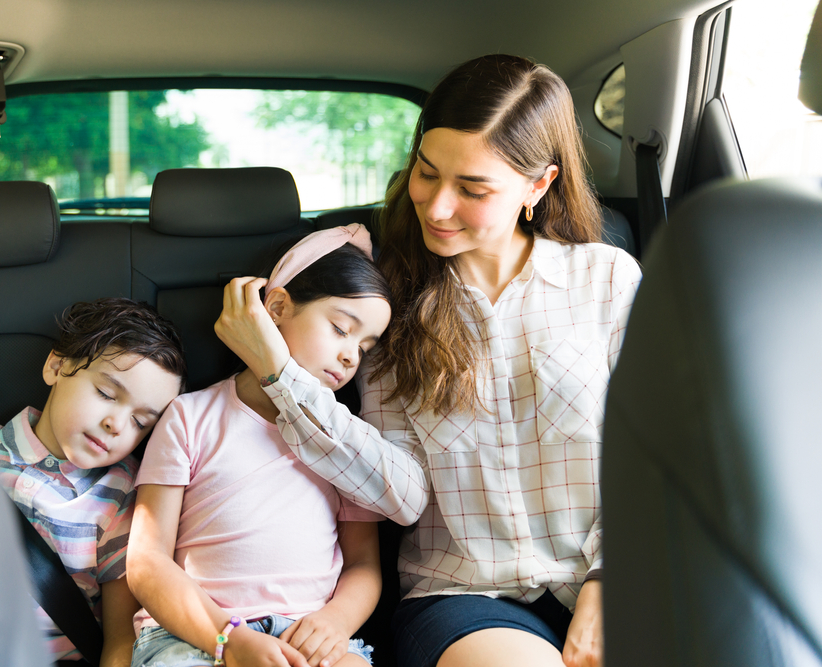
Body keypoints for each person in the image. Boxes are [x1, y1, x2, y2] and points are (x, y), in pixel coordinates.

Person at [215, 54, 643, 667]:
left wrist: (609, 580)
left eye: (472, 189)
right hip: (465, 593)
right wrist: (279, 373)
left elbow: (658, 453)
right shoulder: (389, 307)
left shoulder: (606, 278)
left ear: (538, 185)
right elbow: (404, 495)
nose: (437, 207)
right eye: (426, 172)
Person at [126, 225, 391, 667]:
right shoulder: (191, 417)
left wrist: (335, 623)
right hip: (193, 633)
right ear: (279, 305)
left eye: (365, 347)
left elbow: (363, 565)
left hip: (309, 634)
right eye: (341, 329)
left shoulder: (347, 441)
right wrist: (229, 640)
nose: (351, 356)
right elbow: (147, 562)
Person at [0, 297, 187, 667]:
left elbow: (120, 637)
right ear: (57, 365)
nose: (117, 424)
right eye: (106, 394)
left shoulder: (122, 496)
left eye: (142, 422)